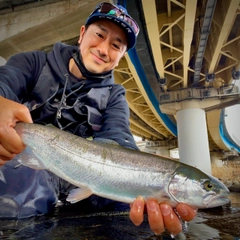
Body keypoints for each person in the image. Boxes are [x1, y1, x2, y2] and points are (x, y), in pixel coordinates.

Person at [0, 2, 196, 236]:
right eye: (99, 35)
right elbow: (5, 83)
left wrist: (149, 187)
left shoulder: (115, 96)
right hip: (27, 162)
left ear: (121, 57)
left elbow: (120, 139)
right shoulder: (34, 63)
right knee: (21, 195)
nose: (104, 49)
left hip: (84, 178)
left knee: (143, 217)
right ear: (82, 34)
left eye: (116, 45)